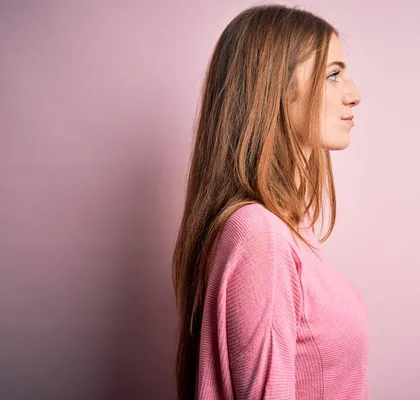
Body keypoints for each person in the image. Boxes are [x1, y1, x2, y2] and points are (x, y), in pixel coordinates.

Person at [172, 4, 367, 399]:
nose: (354, 95)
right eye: (333, 75)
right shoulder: (261, 236)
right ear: (273, 88)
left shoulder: (289, 230)